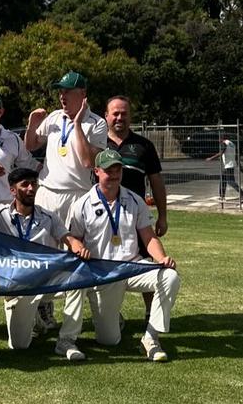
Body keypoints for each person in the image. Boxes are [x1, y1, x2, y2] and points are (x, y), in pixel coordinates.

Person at [62, 149, 180, 362]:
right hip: (103, 272)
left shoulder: (135, 200)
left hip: (132, 266)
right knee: (109, 340)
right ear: (97, 171)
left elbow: (149, 237)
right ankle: (112, 320)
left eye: (118, 169)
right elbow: (73, 238)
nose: (114, 174)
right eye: (109, 170)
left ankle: (151, 338)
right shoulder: (82, 204)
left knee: (170, 277)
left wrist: (161, 258)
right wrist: (79, 248)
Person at [0, 162, 89, 352]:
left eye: (33, 184)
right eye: (25, 185)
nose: (31, 188)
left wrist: (77, 245)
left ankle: (67, 340)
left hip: (46, 279)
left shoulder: (48, 216)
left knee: (79, 279)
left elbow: (67, 237)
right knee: (20, 346)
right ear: (13, 190)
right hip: (16, 286)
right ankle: (35, 318)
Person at [23, 71, 107, 330]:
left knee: (80, 254)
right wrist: (31, 124)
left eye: (67, 92)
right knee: (44, 253)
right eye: (60, 91)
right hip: (47, 192)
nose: (61, 96)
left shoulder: (97, 123)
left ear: (82, 94)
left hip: (78, 196)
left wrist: (79, 123)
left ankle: (101, 309)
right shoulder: (54, 118)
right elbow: (31, 145)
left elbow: (87, 161)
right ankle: (43, 310)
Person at [105, 95, 168, 322]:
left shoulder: (144, 146)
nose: (120, 117)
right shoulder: (97, 143)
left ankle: (151, 312)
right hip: (105, 219)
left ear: (130, 116)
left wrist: (162, 216)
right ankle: (112, 313)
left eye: (124, 113)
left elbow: (157, 182)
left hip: (136, 218)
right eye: (115, 113)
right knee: (106, 263)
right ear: (106, 116)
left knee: (146, 262)